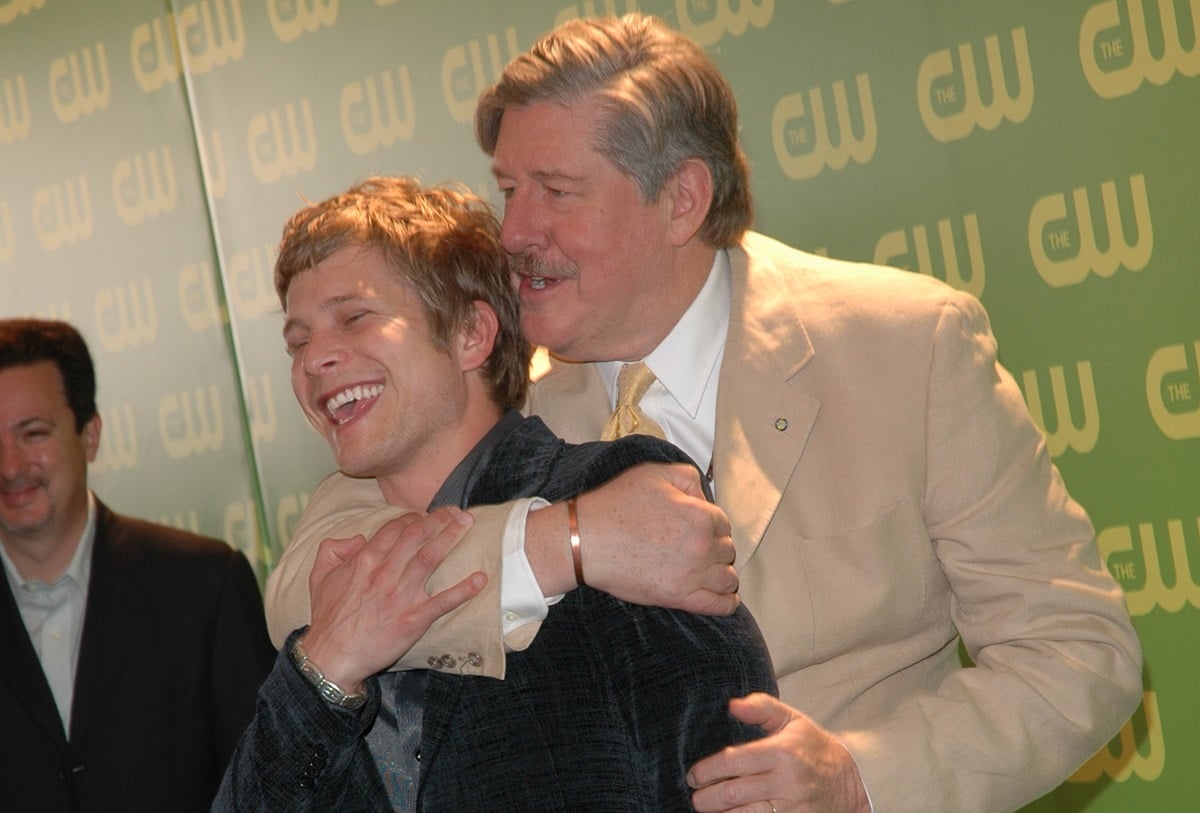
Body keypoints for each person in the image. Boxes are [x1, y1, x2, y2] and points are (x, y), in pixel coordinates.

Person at [266, 14, 1144, 813]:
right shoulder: (497, 380)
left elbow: (1077, 652)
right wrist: (571, 541)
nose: (516, 232)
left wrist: (863, 775)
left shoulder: (907, 344)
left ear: (682, 197)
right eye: (508, 189)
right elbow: (317, 587)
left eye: (556, 191)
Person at [214, 176, 777, 811]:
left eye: (355, 317)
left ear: (470, 335)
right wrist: (326, 669)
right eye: (299, 340)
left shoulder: (625, 500)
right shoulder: (327, 574)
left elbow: (732, 776)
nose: (315, 359)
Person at [0, 318, 275, 813]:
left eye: (33, 433)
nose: (11, 467)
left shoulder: (204, 587)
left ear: (89, 436)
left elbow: (265, 786)